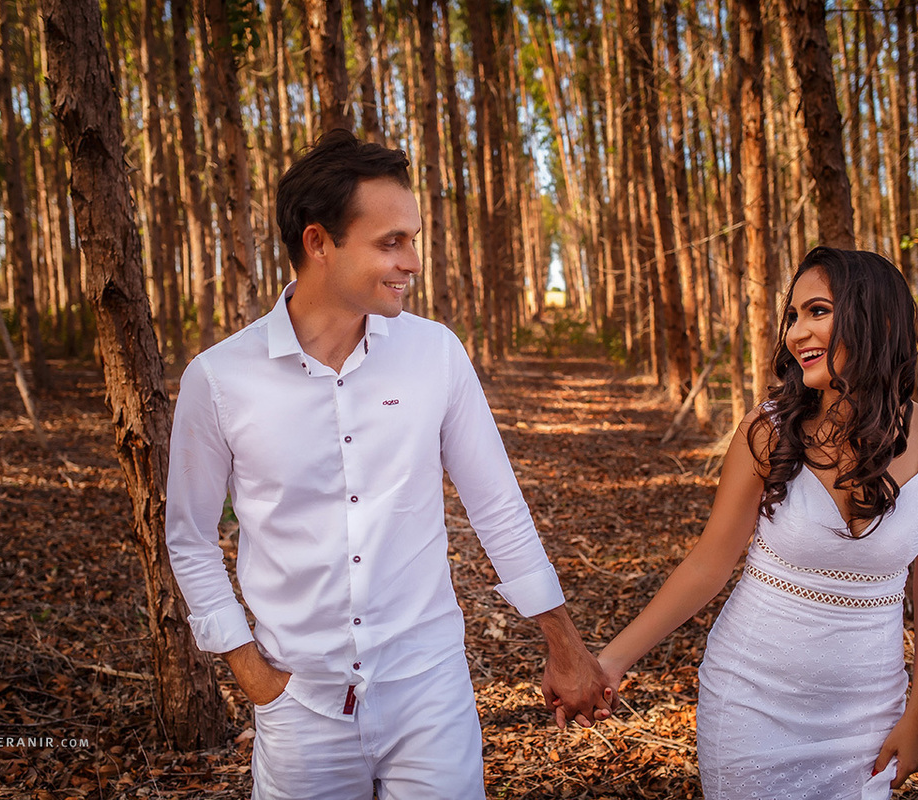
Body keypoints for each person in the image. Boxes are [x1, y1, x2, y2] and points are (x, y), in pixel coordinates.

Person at [165, 129, 612, 799]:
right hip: (300, 706)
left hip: (430, 693)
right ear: (319, 243)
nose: (412, 262)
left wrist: (564, 642)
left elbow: (496, 505)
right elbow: (191, 539)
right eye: (390, 242)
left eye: (412, 239)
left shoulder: (436, 354)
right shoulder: (220, 379)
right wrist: (249, 669)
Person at [597, 247, 918, 798]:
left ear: (881, 319)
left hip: (868, 713)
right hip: (750, 702)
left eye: (817, 310)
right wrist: (610, 662)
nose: (797, 332)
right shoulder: (767, 430)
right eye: (792, 316)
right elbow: (708, 563)